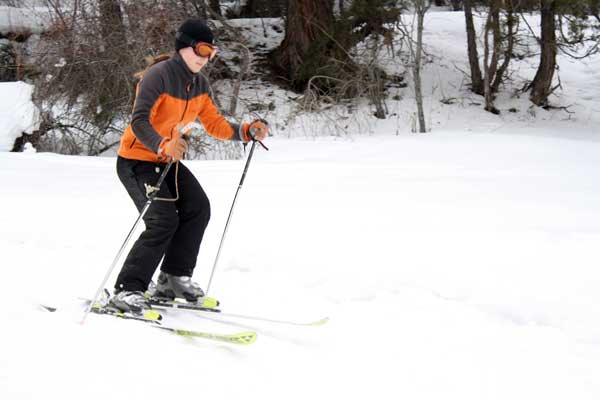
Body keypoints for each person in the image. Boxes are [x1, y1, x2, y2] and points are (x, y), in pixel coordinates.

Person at [110, 19, 268, 314]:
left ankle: (172, 279)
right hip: (137, 161)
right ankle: (128, 289)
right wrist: (161, 144)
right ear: (184, 46)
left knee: (198, 208)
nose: (206, 57)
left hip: (166, 161)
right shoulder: (158, 76)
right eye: (202, 49)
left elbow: (214, 124)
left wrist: (246, 131)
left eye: (212, 52)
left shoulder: (199, 84)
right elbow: (139, 120)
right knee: (163, 221)